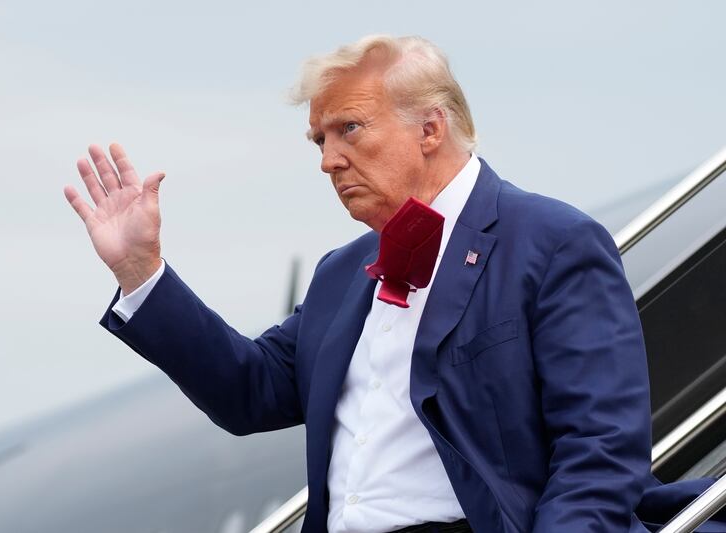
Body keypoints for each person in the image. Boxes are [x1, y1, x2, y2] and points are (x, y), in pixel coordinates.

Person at [64, 35, 659, 533]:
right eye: (319, 140)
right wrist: (140, 271)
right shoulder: (341, 273)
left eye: (349, 129)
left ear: (430, 129)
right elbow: (248, 391)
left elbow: (599, 451)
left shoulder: (553, 242)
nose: (328, 160)